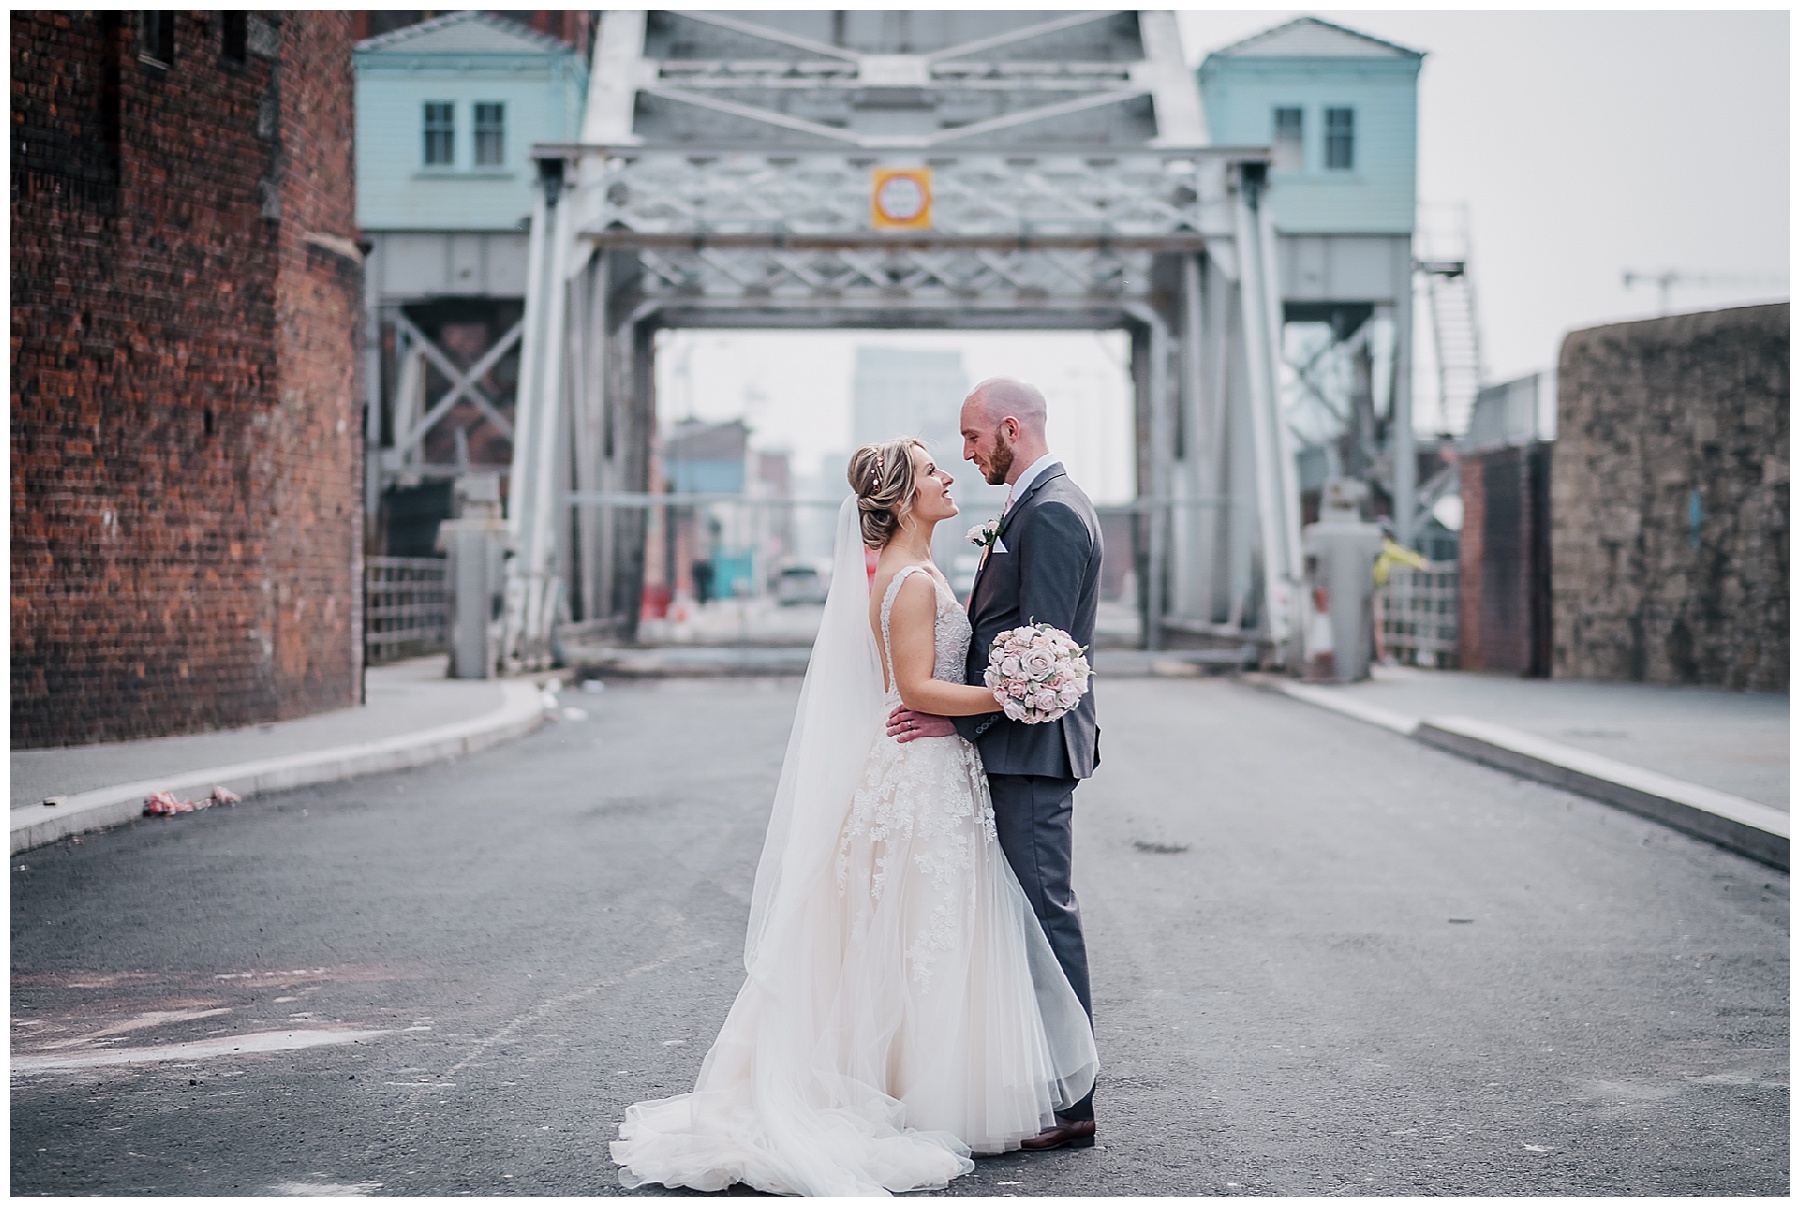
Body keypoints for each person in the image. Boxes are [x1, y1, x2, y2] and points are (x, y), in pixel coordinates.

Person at [610, 438, 1097, 1196]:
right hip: (919, 775)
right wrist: (1016, 696)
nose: (950, 475)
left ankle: (933, 1085)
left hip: (943, 771)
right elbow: (913, 688)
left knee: (932, 930)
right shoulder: (905, 583)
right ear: (905, 497)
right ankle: (910, 1094)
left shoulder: (923, 569)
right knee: (916, 929)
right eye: (936, 470)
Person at [887, 377, 1104, 1150]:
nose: (966, 453)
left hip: (1032, 754)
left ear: (1011, 428)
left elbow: (1039, 662)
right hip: (1016, 749)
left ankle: (1072, 1102)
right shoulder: (1036, 507)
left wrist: (951, 721)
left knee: (1046, 915)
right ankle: (1049, 1082)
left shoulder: (1048, 513)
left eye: (973, 438)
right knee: (1027, 918)